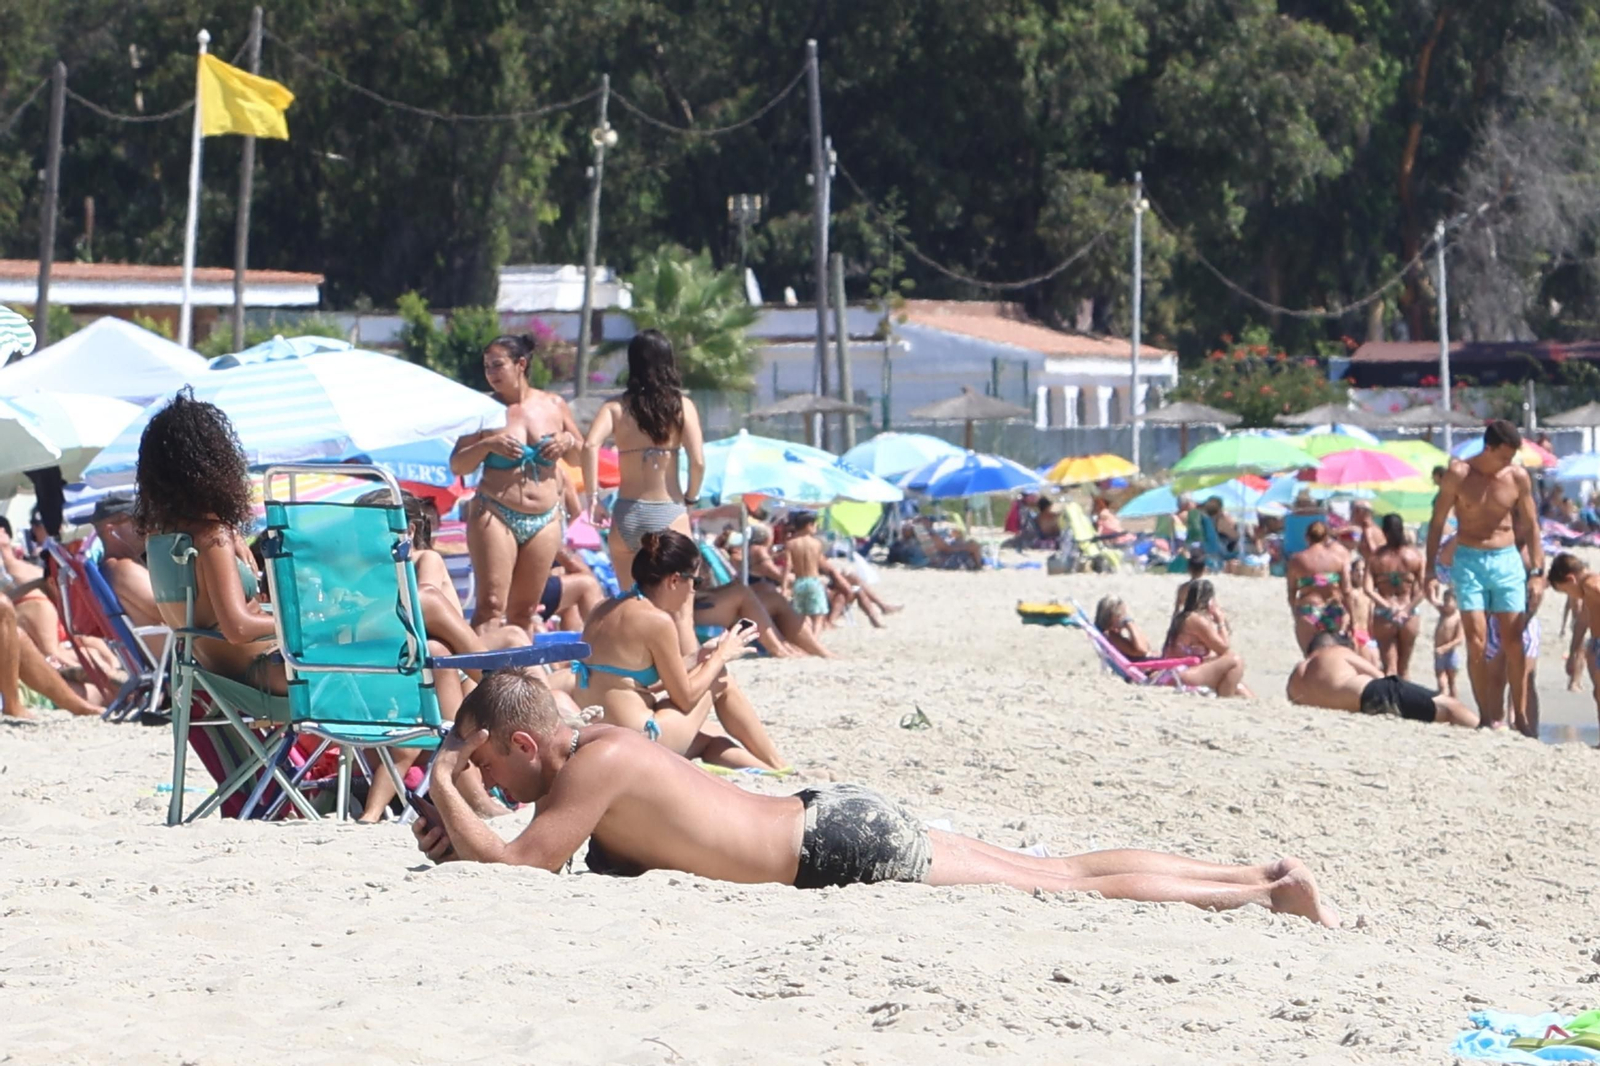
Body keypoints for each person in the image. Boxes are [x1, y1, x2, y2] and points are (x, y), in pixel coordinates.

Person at [411, 669, 1339, 927]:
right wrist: (462, 809)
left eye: (493, 769)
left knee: (1056, 883)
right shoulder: (602, 748)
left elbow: (523, 868)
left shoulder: (593, 765)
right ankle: (1260, 874)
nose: (497, 788)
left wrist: (444, 777)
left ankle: (1263, 892)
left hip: (835, 849)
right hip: (830, 819)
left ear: (524, 744)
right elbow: (524, 843)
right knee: (1055, 870)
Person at [574, 530, 782, 770]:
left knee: (710, 742)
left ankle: (770, 771)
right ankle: (778, 764)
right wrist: (721, 655)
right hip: (640, 739)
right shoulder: (656, 620)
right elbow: (685, 699)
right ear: (674, 580)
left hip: (601, 737)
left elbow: (630, 681)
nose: (693, 591)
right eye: (695, 582)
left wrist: (699, 656)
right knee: (720, 677)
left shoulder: (604, 608)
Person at [450, 335, 582, 635]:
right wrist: (488, 445)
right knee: (491, 605)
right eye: (487, 367)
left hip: (545, 518)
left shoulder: (554, 404)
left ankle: (517, 664)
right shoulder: (484, 411)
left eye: (498, 365)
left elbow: (579, 456)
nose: (491, 373)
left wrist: (567, 440)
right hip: (496, 512)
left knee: (524, 610)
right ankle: (480, 665)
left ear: (521, 364)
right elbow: (458, 464)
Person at [1425, 420, 1544, 732]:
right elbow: (1437, 522)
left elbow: (1531, 525)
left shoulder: (1517, 476)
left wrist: (1537, 572)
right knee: (1476, 640)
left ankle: (1520, 715)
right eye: (1504, 456)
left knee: (1513, 640)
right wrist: (1430, 570)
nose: (1509, 462)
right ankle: (1487, 715)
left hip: (1507, 560)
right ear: (1487, 448)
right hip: (1469, 560)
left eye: (1512, 457)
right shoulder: (1458, 474)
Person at [582, 330, 706, 597]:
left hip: (627, 512)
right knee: (680, 608)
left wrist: (593, 499)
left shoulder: (614, 407)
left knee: (630, 603)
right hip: (668, 510)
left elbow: (590, 446)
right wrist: (691, 497)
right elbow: (697, 461)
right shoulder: (681, 406)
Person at [1286, 632, 1476, 727]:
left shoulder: (1295, 676)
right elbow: (1379, 676)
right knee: (1449, 707)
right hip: (1372, 694)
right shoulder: (1336, 651)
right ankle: (1476, 726)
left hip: (1360, 705)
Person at [1163, 580, 1252, 697]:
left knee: (1240, 687)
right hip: (1180, 674)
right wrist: (1220, 621)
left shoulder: (1184, 617)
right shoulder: (1196, 620)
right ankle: (1225, 700)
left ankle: (1239, 700)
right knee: (1235, 661)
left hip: (1175, 671)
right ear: (1210, 601)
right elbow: (1223, 648)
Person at [1549, 552, 1600, 739]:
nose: (1569, 596)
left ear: (1571, 579)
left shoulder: (1591, 585)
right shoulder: (1586, 590)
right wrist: (1573, 652)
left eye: (1565, 591)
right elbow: (1583, 621)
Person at [1366, 513, 1424, 677]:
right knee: (1404, 668)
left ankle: (1391, 694)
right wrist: (1406, 609)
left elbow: (1367, 589)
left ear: (1384, 532)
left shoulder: (1376, 557)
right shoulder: (1415, 556)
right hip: (1409, 613)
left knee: (1389, 669)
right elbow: (1424, 589)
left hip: (1384, 612)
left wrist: (1389, 607)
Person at [1284, 521, 1353, 653]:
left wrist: (1295, 612)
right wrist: (1353, 619)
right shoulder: (1337, 559)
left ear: (1306, 537)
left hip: (1308, 610)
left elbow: (1291, 591)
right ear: (1326, 537)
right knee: (1333, 655)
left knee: (1311, 657)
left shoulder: (1297, 560)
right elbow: (1347, 591)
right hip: (1332, 610)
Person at [782, 512, 829, 634]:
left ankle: (804, 639)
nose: (816, 528)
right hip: (813, 581)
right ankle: (815, 639)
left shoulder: (790, 543)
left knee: (800, 616)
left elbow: (788, 566)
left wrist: (784, 587)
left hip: (799, 582)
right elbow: (821, 563)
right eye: (815, 525)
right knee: (818, 616)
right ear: (808, 525)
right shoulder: (817, 543)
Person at [1095, 596, 1152, 661]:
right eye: (1123, 615)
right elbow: (1143, 650)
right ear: (1115, 616)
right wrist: (1129, 622)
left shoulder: (1105, 634)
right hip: (1145, 664)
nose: (1124, 618)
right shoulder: (1111, 636)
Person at [1434, 588, 1463, 698]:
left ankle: (1453, 702)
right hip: (1438, 653)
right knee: (1440, 679)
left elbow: (1459, 639)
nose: (1445, 603)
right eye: (1444, 600)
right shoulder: (1443, 613)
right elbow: (1432, 600)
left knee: (1451, 682)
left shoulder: (1458, 618)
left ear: (1456, 602)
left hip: (1450, 653)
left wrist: (1444, 648)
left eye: (1448, 601)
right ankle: (1443, 698)